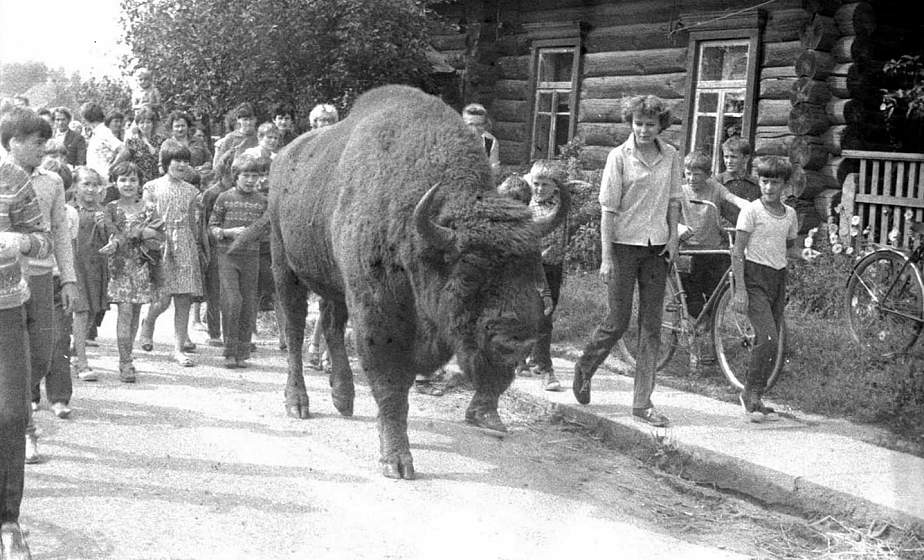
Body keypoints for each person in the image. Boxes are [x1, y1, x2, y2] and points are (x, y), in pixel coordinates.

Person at [571, 95, 681, 428]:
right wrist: (606, 257)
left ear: (661, 125)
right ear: (630, 123)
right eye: (638, 123)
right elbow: (608, 210)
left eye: (650, 124)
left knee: (651, 327)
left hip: (657, 249)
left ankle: (642, 403)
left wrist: (674, 238)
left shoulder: (671, 155)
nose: (644, 130)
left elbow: (674, 201)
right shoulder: (618, 157)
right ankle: (585, 368)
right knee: (618, 321)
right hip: (622, 248)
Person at [1, 109, 79, 468]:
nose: (44, 149)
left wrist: (69, 278)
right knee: (14, 365)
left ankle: (19, 409)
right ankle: (26, 431)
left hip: (41, 275)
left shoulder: (52, 181)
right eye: (37, 142)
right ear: (13, 142)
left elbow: (60, 231)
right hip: (7, 282)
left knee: (42, 354)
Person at [0, 112, 53, 560]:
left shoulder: (13, 177)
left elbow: (44, 241)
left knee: (11, 415)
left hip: (4, 310)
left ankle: (8, 523)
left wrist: (20, 242)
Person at [732, 155, 799, 423]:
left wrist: (805, 254)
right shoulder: (751, 211)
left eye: (774, 182)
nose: (769, 188)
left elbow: (790, 249)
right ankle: (748, 394)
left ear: (785, 185)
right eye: (764, 181)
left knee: (773, 342)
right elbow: (738, 252)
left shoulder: (790, 215)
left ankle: (757, 396)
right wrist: (740, 290)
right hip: (754, 276)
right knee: (768, 338)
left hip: (777, 279)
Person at [677, 150, 749, 366]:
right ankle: (694, 349)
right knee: (693, 302)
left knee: (715, 298)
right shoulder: (680, 192)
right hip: (689, 252)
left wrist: (749, 207)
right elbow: (667, 215)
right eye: (688, 173)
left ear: (708, 175)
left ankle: (710, 341)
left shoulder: (715, 188)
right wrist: (679, 227)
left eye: (697, 174)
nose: (692, 179)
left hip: (714, 251)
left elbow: (732, 198)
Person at [138, 142, 203, 367]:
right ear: (166, 163)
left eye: (186, 161)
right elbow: (146, 217)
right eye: (177, 160)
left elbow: (194, 224)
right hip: (161, 242)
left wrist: (197, 247)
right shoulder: (152, 187)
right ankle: (148, 322)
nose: (182, 165)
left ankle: (178, 348)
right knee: (162, 298)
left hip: (184, 243)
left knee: (183, 297)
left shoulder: (192, 191)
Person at [99, 162, 164, 382]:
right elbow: (111, 232)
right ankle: (124, 362)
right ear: (115, 183)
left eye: (132, 180)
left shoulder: (148, 208)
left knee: (135, 311)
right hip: (119, 267)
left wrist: (147, 233)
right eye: (123, 180)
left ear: (140, 183)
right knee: (125, 311)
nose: (128, 184)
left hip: (141, 265)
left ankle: (129, 356)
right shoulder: (110, 208)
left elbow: (159, 234)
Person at [208, 153, 270, 368]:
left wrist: (257, 235)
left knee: (249, 303)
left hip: (251, 258)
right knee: (233, 301)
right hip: (227, 256)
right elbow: (211, 228)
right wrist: (228, 232)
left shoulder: (263, 202)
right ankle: (229, 350)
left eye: (255, 175)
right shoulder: (224, 197)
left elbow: (267, 231)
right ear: (236, 176)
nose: (251, 180)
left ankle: (242, 351)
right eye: (246, 175)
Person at [524, 160, 570, 391]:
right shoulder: (526, 205)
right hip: (532, 267)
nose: (539, 189)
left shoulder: (560, 204)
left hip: (554, 266)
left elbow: (573, 188)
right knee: (542, 314)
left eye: (545, 184)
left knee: (544, 315)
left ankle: (527, 357)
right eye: (536, 184)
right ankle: (544, 366)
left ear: (555, 187)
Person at [305, 103, 340, 370]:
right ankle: (316, 343)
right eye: (321, 120)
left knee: (336, 295)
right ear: (313, 124)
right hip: (311, 228)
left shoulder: (344, 151)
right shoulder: (305, 151)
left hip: (336, 227)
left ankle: (323, 348)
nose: (326, 124)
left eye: (330, 120)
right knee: (324, 296)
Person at [69, 167, 110, 381]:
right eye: (86, 184)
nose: (91, 189)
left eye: (95, 184)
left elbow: (111, 239)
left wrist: (106, 227)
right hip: (75, 266)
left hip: (96, 267)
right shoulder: (69, 210)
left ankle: (75, 350)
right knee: (82, 311)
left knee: (93, 311)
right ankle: (83, 363)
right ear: (75, 187)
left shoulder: (104, 211)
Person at [196, 156, 235, 347]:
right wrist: (204, 249)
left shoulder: (241, 191)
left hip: (236, 246)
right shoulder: (211, 193)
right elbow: (203, 224)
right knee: (214, 291)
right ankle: (214, 331)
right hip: (214, 245)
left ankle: (233, 333)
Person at [113, 106, 165, 185]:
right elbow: (121, 163)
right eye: (142, 123)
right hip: (139, 184)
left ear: (153, 124)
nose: (145, 125)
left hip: (159, 182)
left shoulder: (161, 140)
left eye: (148, 122)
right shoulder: (131, 143)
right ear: (137, 125)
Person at [716, 136, 760, 225]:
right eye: (726, 157)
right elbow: (711, 211)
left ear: (746, 158)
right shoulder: (717, 182)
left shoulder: (756, 184)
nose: (728, 161)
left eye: (733, 157)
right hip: (723, 233)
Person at [160, 111, 212, 184]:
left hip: (199, 183)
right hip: (176, 184)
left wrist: (204, 167)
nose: (180, 129)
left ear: (188, 126)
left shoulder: (198, 141)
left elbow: (209, 160)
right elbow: (161, 168)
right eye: (177, 126)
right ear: (171, 128)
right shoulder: (167, 144)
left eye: (183, 125)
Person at [81, 102, 123, 180]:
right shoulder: (96, 132)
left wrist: (112, 167)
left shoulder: (103, 132)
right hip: (95, 179)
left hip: (104, 178)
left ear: (86, 118)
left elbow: (124, 151)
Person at [212, 102, 258, 169]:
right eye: (245, 120)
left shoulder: (261, 137)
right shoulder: (230, 138)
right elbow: (217, 166)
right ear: (238, 120)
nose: (248, 123)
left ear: (256, 119)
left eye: (251, 119)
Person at [462, 103, 500, 177]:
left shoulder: (491, 141)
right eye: (471, 124)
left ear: (485, 125)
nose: (475, 129)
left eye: (479, 125)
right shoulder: (454, 140)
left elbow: (494, 171)